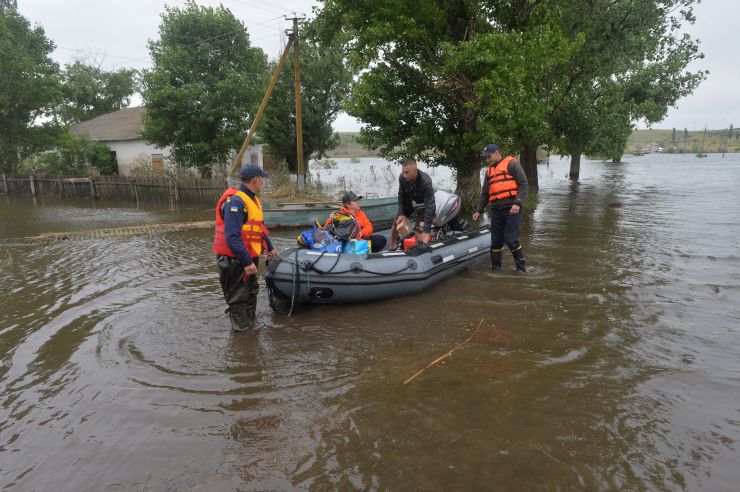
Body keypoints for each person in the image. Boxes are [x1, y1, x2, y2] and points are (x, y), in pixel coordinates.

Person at [213, 164, 277, 331]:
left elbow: (258, 227)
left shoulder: (253, 199)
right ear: (255, 180)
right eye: (261, 178)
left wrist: (269, 247)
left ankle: (251, 329)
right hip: (234, 259)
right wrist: (247, 262)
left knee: (251, 291)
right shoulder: (235, 202)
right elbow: (232, 237)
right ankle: (242, 337)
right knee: (238, 297)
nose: (263, 182)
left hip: (248, 256)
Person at [472, 144, 529, 272]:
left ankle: (521, 270)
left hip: (512, 209)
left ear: (497, 152)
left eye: (489, 156)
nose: (487, 160)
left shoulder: (512, 164)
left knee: (511, 239)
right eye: (486, 158)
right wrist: (478, 210)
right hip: (496, 211)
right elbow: (485, 193)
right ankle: (496, 271)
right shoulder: (489, 171)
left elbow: (524, 185)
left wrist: (517, 203)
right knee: (496, 242)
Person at [391, 159, 436, 248]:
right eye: (403, 172)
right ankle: (392, 245)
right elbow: (401, 196)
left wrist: (426, 230)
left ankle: (420, 249)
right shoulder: (402, 178)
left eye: (407, 172)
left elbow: (430, 206)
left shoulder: (426, 181)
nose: (404, 175)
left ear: (415, 170)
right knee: (397, 222)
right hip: (410, 201)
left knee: (419, 229)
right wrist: (401, 213)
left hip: (423, 205)